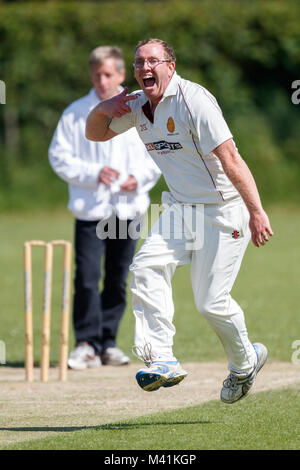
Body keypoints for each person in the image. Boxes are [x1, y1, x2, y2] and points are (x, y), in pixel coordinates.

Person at [85, 38, 273, 404]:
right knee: (144, 268)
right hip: (180, 208)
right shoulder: (137, 104)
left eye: (153, 61)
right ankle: (162, 358)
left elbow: (231, 157)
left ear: (170, 65)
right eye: (138, 62)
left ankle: (244, 362)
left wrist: (256, 210)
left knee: (210, 303)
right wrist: (104, 107)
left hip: (222, 210)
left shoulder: (194, 101)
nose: (144, 68)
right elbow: (96, 133)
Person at [49, 45, 161, 370]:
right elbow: (59, 156)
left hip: (127, 209)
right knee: (86, 277)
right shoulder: (74, 112)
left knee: (117, 278)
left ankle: (108, 343)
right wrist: (92, 174)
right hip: (91, 210)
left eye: (108, 74)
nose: (102, 80)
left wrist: (136, 178)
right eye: (97, 74)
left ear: (121, 75)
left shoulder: (141, 108)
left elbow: (157, 153)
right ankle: (86, 343)